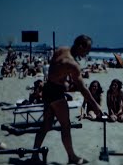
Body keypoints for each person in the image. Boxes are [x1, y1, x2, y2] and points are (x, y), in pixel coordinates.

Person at [30, 35, 102, 164]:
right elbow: (83, 88)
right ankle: (72, 157)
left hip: (47, 89)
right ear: (80, 46)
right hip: (55, 93)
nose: (88, 53)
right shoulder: (72, 64)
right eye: (87, 49)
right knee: (66, 125)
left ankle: (35, 154)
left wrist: (62, 80)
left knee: (46, 125)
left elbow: (53, 70)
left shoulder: (61, 49)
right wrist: (96, 106)